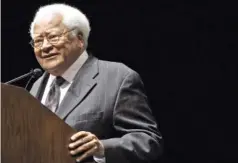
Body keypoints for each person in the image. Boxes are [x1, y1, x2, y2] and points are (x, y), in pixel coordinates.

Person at [29, 3, 163, 163]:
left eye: (53, 37)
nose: (45, 47)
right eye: (37, 41)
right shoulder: (35, 87)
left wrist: (102, 149)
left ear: (79, 39)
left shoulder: (117, 77)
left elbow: (148, 141)